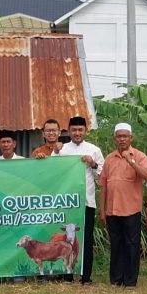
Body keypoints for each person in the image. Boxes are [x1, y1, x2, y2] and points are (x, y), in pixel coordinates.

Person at [98, 123, 147, 287]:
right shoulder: (109, 158)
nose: (122, 139)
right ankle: (116, 279)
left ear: (131, 138)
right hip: (112, 210)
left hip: (131, 210)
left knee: (131, 245)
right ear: (115, 139)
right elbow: (104, 186)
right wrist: (102, 211)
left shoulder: (139, 156)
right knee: (116, 245)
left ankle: (130, 281)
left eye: (125, 136)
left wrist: (132, 162)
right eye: (119, 136)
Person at [58, 116, 104, 285]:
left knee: (86, 240)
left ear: (86, 131)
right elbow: (55, 173)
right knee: (66, 240)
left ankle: (86, 277)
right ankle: (67, 274)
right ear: (68, 131)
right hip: (67, 202)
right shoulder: (62, 151)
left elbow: (102, 177)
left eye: (80, 130)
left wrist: (92, 164)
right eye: (74, 130)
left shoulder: (94, 150)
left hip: (87, 202)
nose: (77, 133)